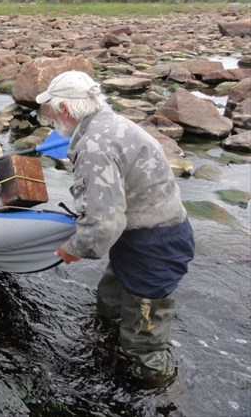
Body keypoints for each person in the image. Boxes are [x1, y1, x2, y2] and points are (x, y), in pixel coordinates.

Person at [35, 70, 195, 385]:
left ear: (65, 110)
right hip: (138, 235)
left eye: (52, 110)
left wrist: (71, 250)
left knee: (142, 345)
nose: (51, 117)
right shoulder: (108, 122)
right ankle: (105, 349)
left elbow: (102, 225)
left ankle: (159, 391)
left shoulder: (96, 147)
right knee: (109, 306)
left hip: (154, 245)